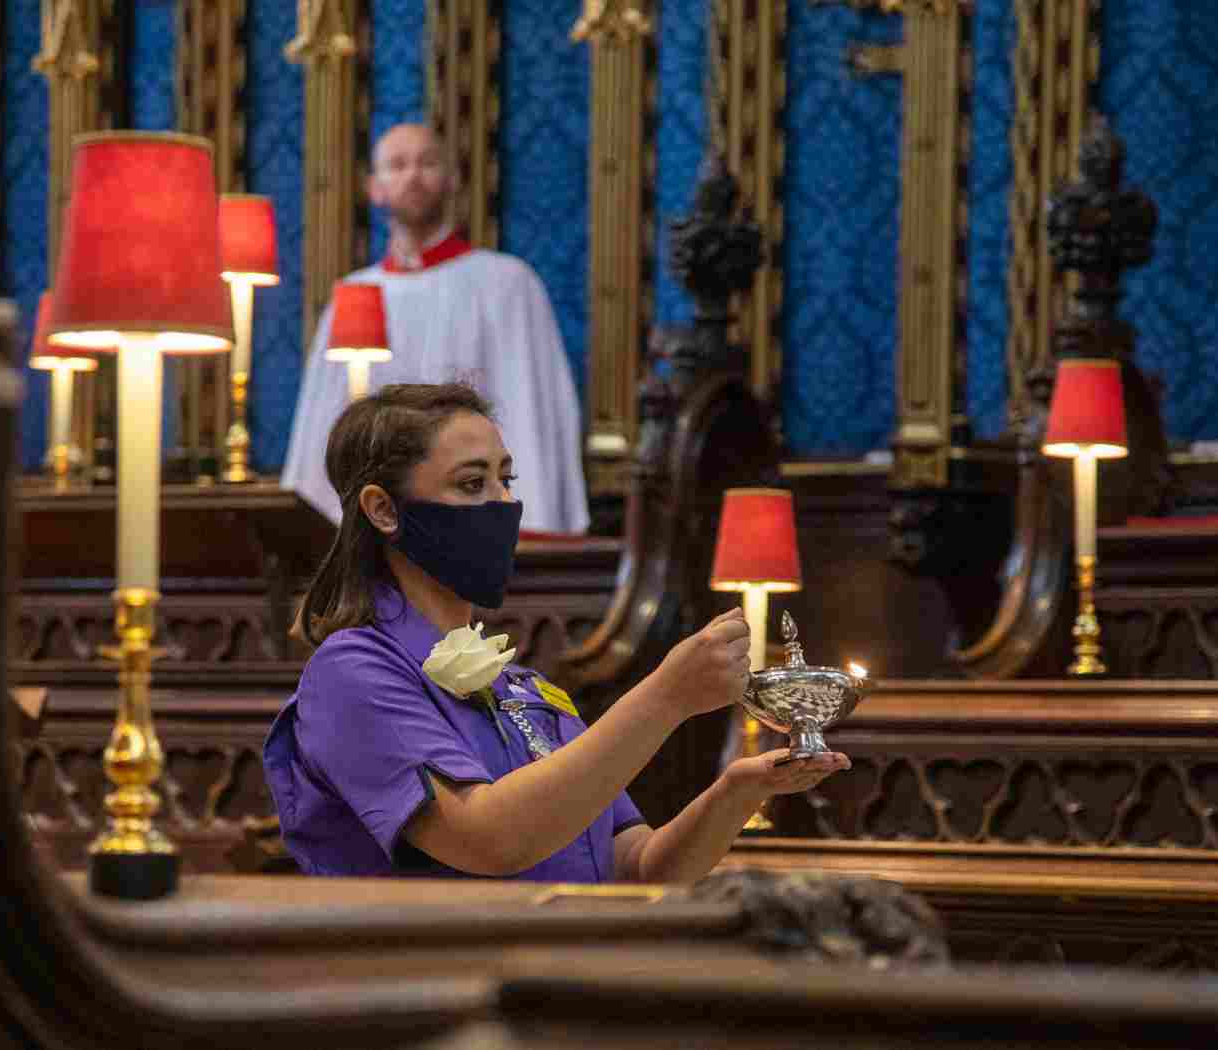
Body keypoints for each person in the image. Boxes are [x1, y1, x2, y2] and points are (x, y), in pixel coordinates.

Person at [263, 383, 848, 880]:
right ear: (385, 510)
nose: (504, 505)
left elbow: (638, 867)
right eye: (472, 485)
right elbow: (488, 839)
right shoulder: (353, 671)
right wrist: (666, 697)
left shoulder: (522, 685)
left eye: (505, 480)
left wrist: (739, 790)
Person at [281, 122, 589, 534]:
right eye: (397, 164)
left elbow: (530, 413)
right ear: (375, 188)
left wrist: (525, 524)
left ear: (453, 179)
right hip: (376, 529)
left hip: (473, 524)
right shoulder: (354, 295)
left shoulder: (506, 284)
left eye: (427, 162)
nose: (413, 175)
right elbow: (322, 429)